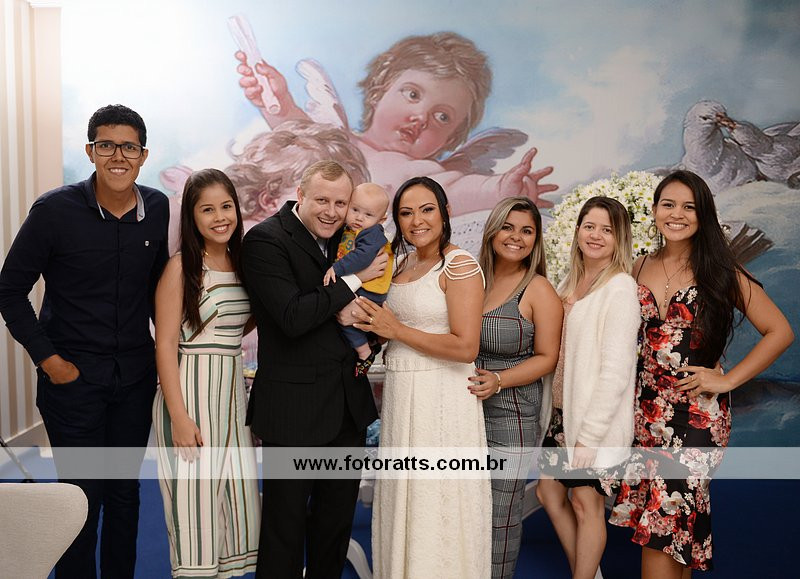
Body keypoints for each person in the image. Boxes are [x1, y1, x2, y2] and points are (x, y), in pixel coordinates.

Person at [0, 104, 169, 577]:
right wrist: (49, 360)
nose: (118, 156)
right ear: (90, 151)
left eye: (129, 147)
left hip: (133, 379)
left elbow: (159, 292)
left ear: (143, 155)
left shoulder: (157, 208)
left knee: (125, 494)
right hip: (72, 383)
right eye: (106, 145)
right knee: (79, 499)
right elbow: (9, 290)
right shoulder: (54, 211)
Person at [609, 170, 794, 577]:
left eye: (689, 207)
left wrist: (727, 381)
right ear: (654, 210)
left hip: (696, 417)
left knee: (662, 522)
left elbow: (780, 331)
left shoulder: (720, 270)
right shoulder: (638, 266)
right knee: (674, 524)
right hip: (646, 413)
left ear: (703, 214)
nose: (677, 214)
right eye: (668, 204)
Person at [241, 160, 385, 578]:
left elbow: (372, 307)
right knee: (283, 531)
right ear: (300, 195)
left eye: (341, 203)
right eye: (322, 200)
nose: (332, 211)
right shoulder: (266, 240)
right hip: (293, 412)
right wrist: (353, 282)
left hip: (347, 409)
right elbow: (293, 317)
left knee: (333, 529)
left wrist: (369, 333)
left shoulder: (350, 236)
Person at [235, 31, 557, 215]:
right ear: (379, 91)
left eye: (442, 117)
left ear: (451, 139)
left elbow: (456, 192)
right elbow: (297, 136)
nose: (421, 118)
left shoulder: (417, 173)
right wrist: (277, 100)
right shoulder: (334, 139)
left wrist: (499, 189)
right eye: (413, 94)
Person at [353, 176, 491, 577]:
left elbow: (466, 347)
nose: (417, 221)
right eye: (406, 213)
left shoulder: (459, 265)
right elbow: (391, 325)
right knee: (404, 499)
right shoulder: (402, 263)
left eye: (427, 209)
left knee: (437, 500)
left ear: (446, 212)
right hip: (403, 395)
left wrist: (396, 330)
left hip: (442, 399)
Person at [152, 169, 260, 577]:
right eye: (208, 209)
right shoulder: (181, 267)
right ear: (192, 217)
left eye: (226, 206)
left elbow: (236, 324)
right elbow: (165, 344)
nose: (220, 217)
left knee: (235, 501)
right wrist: (179, 417)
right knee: (194, 506)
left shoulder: (243, 262)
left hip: (231, 399)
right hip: (190, 396)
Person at [535, 196, 641, 579]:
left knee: (586, 505)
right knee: (548, 493)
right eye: (589, 226)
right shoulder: (570, 281)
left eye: (607, 230)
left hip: (591, 424)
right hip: (562, 415)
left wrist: (590, 436)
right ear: (578, 230)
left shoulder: (620, 288)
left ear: (619, 238)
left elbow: (616, 371)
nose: (596, 235)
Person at [467, 196, 562, 578]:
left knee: (500, 515)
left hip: (511, 417)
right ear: (492, 232)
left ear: (535, 239)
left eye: (527, 231)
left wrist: (500, 380)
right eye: (507, 227)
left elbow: (547, 358)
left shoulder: (538, 289)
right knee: (465, 511)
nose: (516, 237)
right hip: (466, 413)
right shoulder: (474, 280)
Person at [323, 182, 393, 373]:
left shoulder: (372, 234)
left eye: (368, 215)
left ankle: (364, 352)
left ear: (381, 220)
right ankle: (370, 344)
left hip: (371, 289)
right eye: (355, 210)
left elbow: (363, 257)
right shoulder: (350, 230)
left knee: (344, 313)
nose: (359, 218)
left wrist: (337, 268)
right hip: (364, 285)